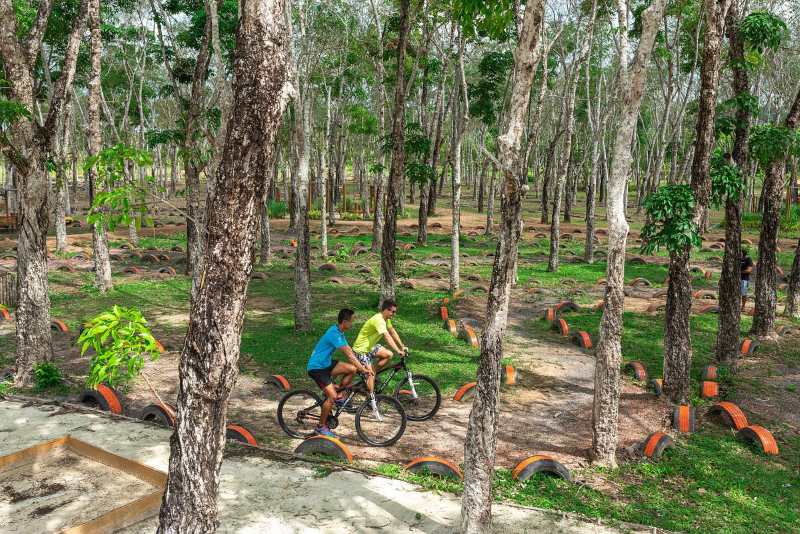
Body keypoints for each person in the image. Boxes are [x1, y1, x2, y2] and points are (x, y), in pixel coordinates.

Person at [306, 308, 373, 438]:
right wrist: (363, 369)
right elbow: (348, 355)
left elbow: (350, 351)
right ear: (344, 322)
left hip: (326, 364)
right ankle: (320, 428)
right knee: (331, 396)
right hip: (317, 368)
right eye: (351, 321)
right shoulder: (334, 334)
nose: (352, 324)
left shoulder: (339, 331)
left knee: (351, 369)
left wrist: (361, 366)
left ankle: (340, 396)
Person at [352, 299, 407, 397]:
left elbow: (392, 332)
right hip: (360, 350)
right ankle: (370, 399)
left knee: (388, 354)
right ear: (386, 310)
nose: (394, 314)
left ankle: (372, 374)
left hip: (369, 347)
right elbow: (387, 337)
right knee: (370, 374)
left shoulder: (386, 319)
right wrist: (398, 350)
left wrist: (402, 346)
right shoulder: (379, 320)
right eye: (393, 311)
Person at [741, 246, 754, 310]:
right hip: (736, 279)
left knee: (743, 293)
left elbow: (749, 270)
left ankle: (743, 306)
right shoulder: (737, 259)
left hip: (744, 279)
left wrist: (739, 272)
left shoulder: (748, 259)